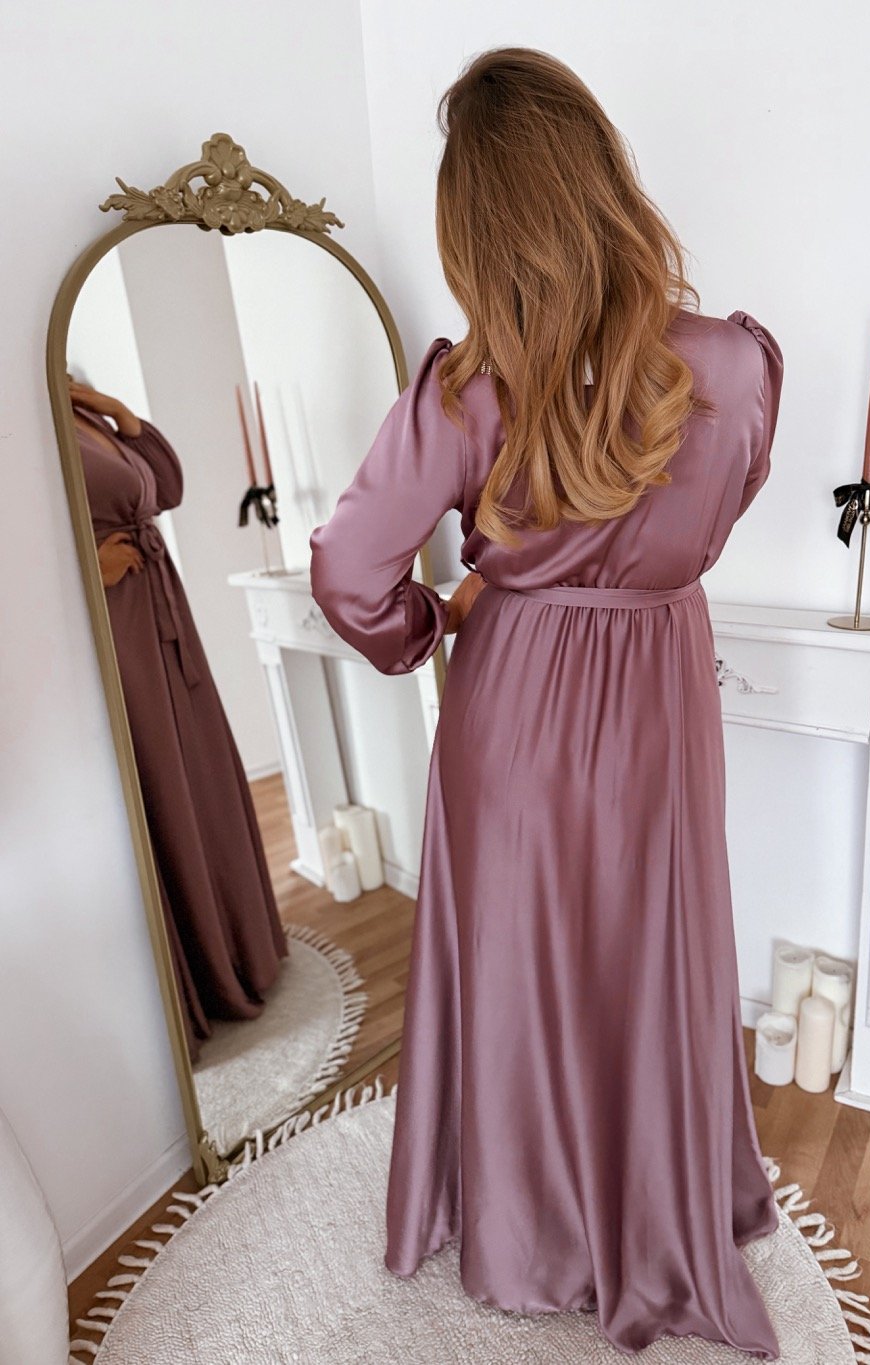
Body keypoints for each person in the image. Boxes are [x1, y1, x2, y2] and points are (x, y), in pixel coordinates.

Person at [310, 48, 784, 1360]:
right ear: (602, 179)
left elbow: (348, 572)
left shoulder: (467, 392)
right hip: (661, 684)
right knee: (652, 938)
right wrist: (629, 566)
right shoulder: (733, 366)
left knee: (521, 953)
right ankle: (655, 1204)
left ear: (478, 223)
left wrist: (430, 623)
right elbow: (723, 504)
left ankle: (531, 1231)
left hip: (512, 698)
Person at [70, 378, 288, 1063]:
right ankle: (196, 977)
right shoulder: (25, 426)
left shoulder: (84, 415)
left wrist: (117, 412)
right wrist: (86, 566)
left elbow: (168, 487)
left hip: (161, 610)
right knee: (160, 777)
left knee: (197, 766)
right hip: (114, 624)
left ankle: (238, 949)